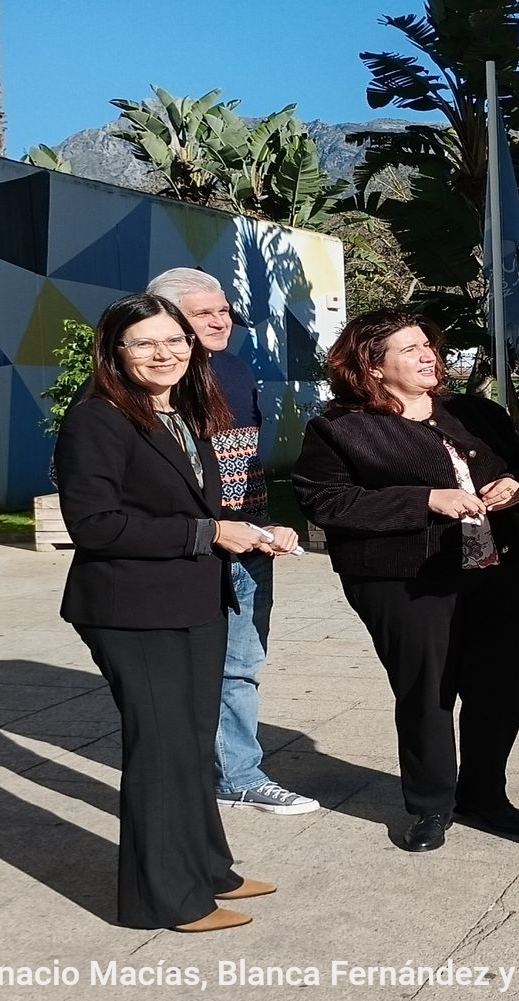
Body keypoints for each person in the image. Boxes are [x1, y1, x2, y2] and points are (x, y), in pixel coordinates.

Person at [54, 293, 287, 933]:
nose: (165, 354)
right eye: (145, 343)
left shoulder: (182, 410)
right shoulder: (97, 419)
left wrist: (254, 531)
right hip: (132, 609)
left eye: (175, 340)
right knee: (160, 747)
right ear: (114, 351)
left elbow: (193, 506)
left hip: (195, 600)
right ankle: (167, 900)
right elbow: (95, 525)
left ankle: (209, 869)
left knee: (189, 743)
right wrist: (208, 534)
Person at [292, 310, 519, 852]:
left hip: (493, 568)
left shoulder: (477, 412)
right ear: (371, 366)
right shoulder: (339, 428)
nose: (429, 355)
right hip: (404, 579)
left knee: (500, 684)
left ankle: (485, 794)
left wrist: (515, 485)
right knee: (428, 690)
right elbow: (325, 501)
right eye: (410, 349)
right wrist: (425, 500)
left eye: (429, 345)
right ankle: (431, 806)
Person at [145, 268, 319, 816]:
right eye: (204, 313)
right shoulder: (145, 384)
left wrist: (268, 525)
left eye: (224, 311)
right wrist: (209, 530)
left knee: (242, 665)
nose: (221, 322)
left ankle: (234, 773)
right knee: (181, 670)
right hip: (189, 549)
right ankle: (209, 773)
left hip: (250, 544)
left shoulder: (237, 370)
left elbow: (243, 465)